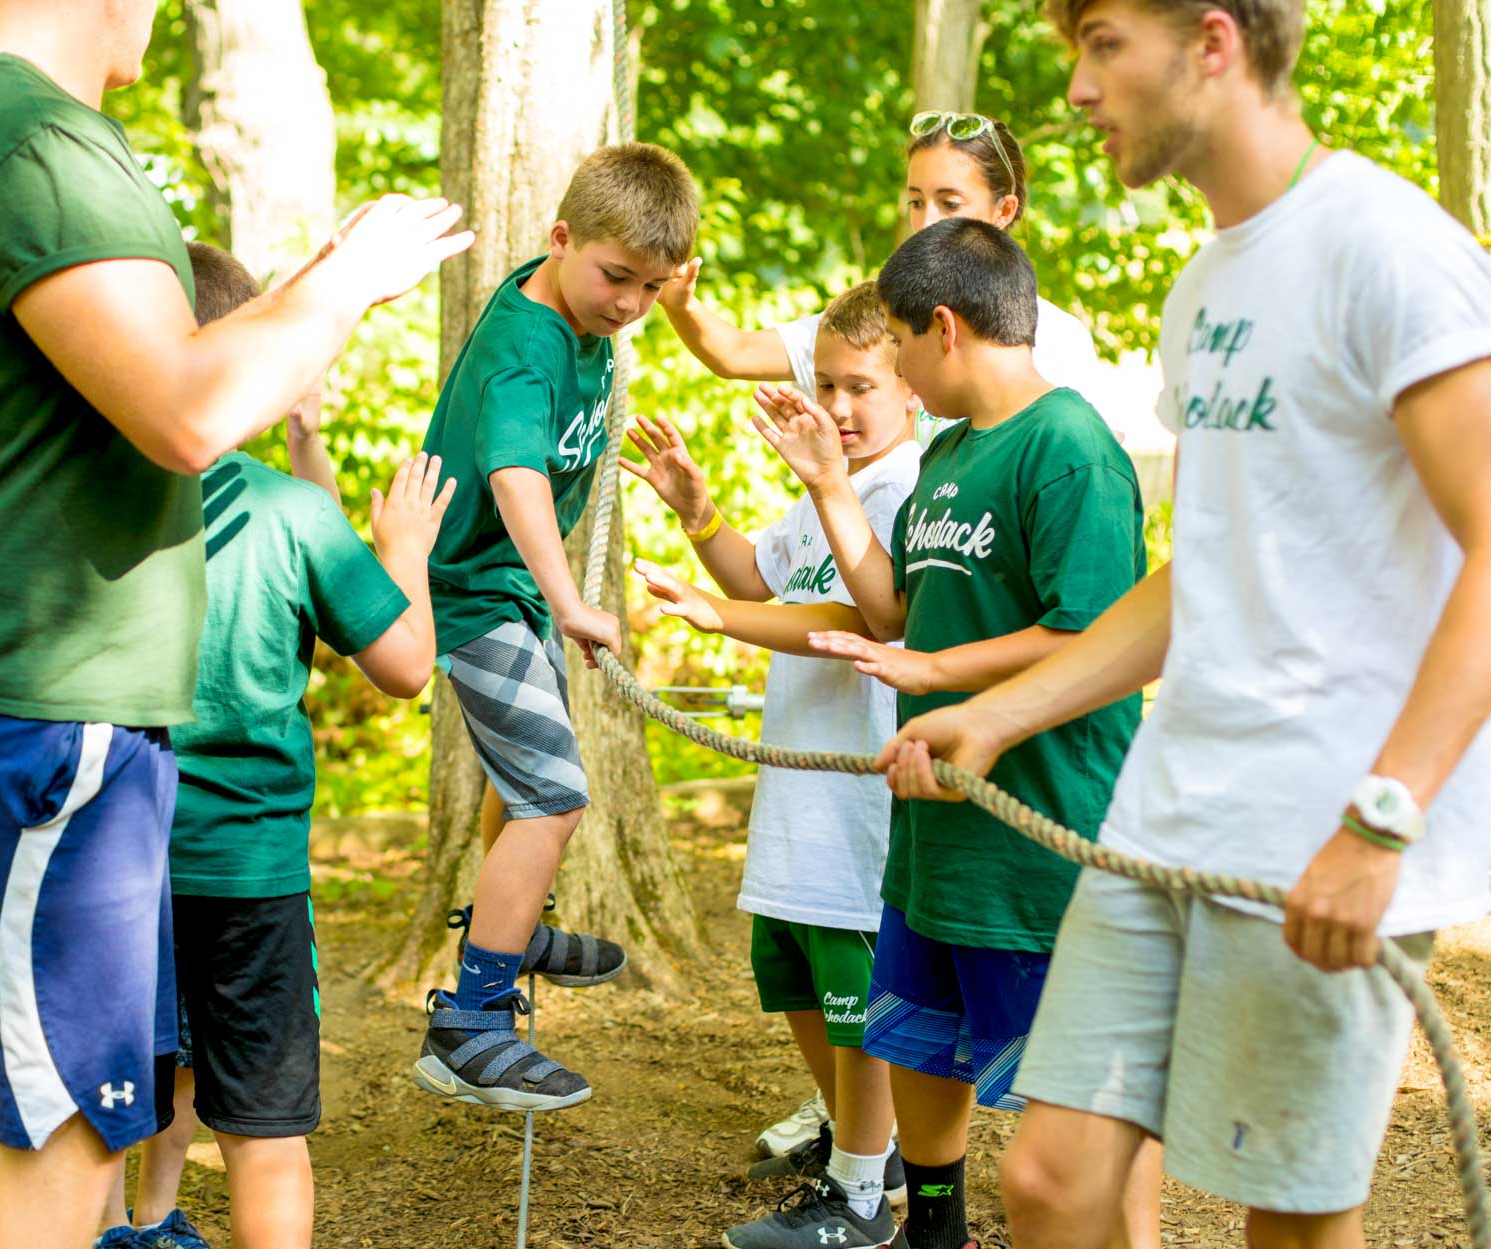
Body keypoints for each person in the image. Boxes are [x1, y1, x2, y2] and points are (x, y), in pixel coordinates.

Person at [879, 4, 1491, 1248]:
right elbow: (1207, 575)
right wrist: (997, 710)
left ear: (1213, 40)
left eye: (1100, 45)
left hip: (1327, 826)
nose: (1077, 89)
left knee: (1289, 1224)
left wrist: (1381, 818)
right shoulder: (1202, 289)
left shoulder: (1387, 248)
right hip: (1171, 809)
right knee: (1049, 1183)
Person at [0, 3, 472, 1246]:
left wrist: (305, 282)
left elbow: (156, 372)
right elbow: (187, 410)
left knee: (85, 1146)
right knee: (56, 1159)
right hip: (39, 723)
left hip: (48, 721)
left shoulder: (1, 127)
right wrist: (353, 281)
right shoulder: (37, 140)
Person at [753, 219, 1149, 1249]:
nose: (899, 370)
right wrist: (829, 488)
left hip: (1039, 835)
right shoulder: (947, 455)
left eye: (902, 344)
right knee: (922, 1049)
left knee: (1082, 1117)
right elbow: (890, 612)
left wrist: (935, 677)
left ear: (944, 328)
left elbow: (1090, 630)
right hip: (932, 838)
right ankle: (936, 1233)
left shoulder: (1068, 445)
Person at [90, 244, 449, 1249]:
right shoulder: (297, 518)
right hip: (248, 873)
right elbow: (406, 663)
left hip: (110, 865)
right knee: (264, 1134)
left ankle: (132, 1229)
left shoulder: (90, 500)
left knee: (97, 1112)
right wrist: (404, 553)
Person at [627, 281, 918, 1249]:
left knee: (853, 998)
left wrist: (725, 619)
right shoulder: (821, 494)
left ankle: (862, 1198)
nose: (837, 407)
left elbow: (852, 620)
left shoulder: (903, 490)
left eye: (861, 387)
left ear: (912, 385)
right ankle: (856, 1139)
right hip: (798, 798)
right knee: (788, 970)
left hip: (857, 803)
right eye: (823, 383)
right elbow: (766, 582)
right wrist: (702, 517)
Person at [410, 142, 699, 1111]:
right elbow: (515, 475)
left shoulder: (589, 325)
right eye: (616, 277)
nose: (629, 304)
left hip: (512, 590)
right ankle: (470, 1018)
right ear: (561, 238)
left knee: (525, 776)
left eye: (651, 289)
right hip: (472, 586)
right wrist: (571, 597)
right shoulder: (528, 345)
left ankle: (513, 923)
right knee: (555, 795)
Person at [658, 111, 1108, 453]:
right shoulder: (881, 314)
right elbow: (735, 353)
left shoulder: (1060, 340)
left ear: (1004, 210)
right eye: (916, 201)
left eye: (949, 203)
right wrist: (679, 304)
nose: (927, 221)